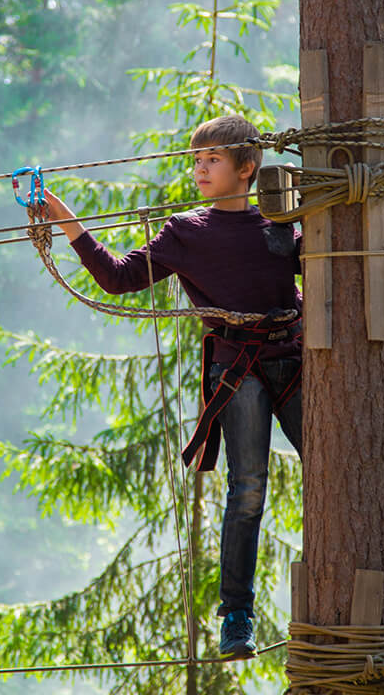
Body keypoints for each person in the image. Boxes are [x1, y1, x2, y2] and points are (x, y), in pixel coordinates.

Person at [36, 115, 302, 659]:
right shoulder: (187, 232)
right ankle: (237, 617)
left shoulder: (284, 227)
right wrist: (65, 219)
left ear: (246, 168)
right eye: (197, 161)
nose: (200, 170)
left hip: (293, 358)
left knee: (334, 468)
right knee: (247, 489)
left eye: (213, 161)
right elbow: (119, 277)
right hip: (238, 365)